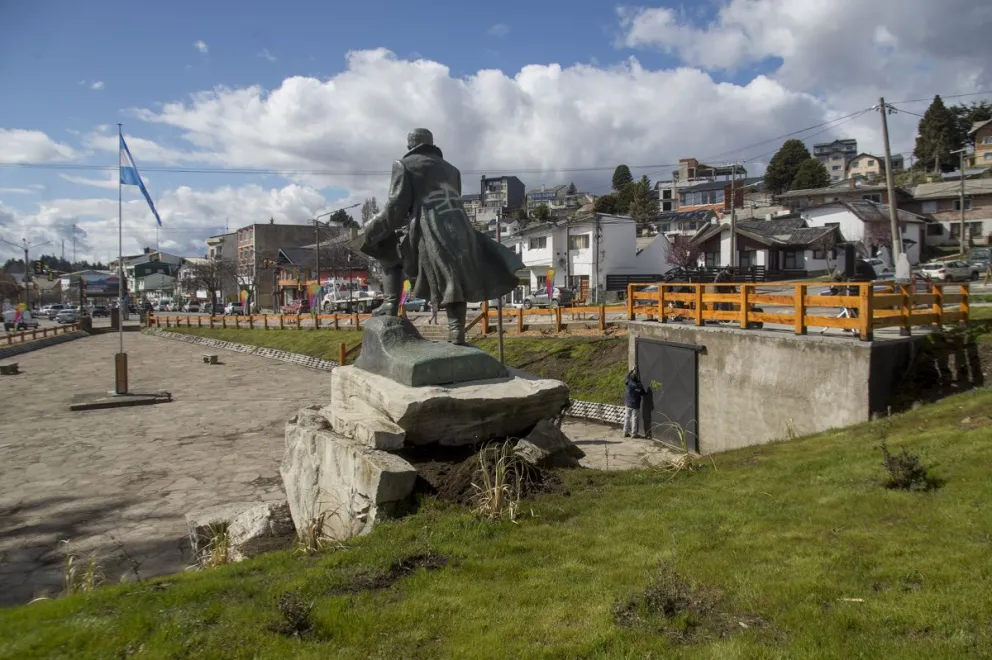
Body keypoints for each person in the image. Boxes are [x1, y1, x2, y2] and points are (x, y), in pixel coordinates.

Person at [360, 128, 523, 344]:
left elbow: (397, 207)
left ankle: (390, 303)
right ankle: (457, 332)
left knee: (387, 247)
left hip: (429, 226)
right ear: (431, 144)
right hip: (461, 227)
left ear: (411, 146)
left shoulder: (404, 165)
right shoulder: (452, 170)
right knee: (454, 276)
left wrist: (372, 228)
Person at [623, 368, 647, 438]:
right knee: (634, 419)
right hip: (636, 405)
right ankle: (634, 434)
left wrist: (632, 370)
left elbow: (627, 376)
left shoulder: (628, 383)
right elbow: (643, 393)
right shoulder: (639, 385)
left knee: (627, 418)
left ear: (631, 378)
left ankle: (625, 432)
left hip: (628, 404)